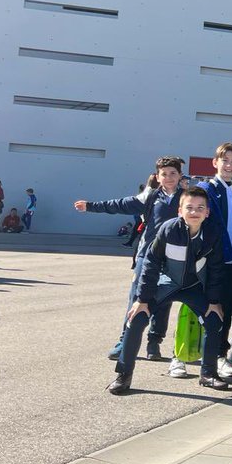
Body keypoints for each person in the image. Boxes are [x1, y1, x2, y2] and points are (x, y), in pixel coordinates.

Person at [107, 187, 228, 395]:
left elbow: (217, 269)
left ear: (207, 212)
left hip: (193, 286)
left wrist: (214, 301)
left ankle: (208, 374)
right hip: (167, 283)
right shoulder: (168, 229)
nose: (194, 212)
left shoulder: (213, 233)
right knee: (136, 319)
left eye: (200, 208)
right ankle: (123, 375)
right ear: (180, 210)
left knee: (214, 320)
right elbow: (151, 264)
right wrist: (142, 299)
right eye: (189, 207)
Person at [77, 156, 185, 372]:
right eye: (164, 174)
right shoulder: (150, 197)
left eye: (173, 173)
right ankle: (124, 341)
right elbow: (119, 204)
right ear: (157, 176)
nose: (169, 177)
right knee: (135, 298)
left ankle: (154, 342)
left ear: (180, 175)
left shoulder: (186, 199)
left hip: (173, 258)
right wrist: (90, 206)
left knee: (163, 301)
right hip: (147, 256)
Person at [197, 143, 232, 378]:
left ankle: (217, 355)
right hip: (217, 261)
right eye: (224, 160)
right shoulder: (207, 189)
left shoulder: (231, 189)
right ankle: (212, 358)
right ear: (215, 162)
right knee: (213, 311)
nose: (229, 165)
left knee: (226, 309)